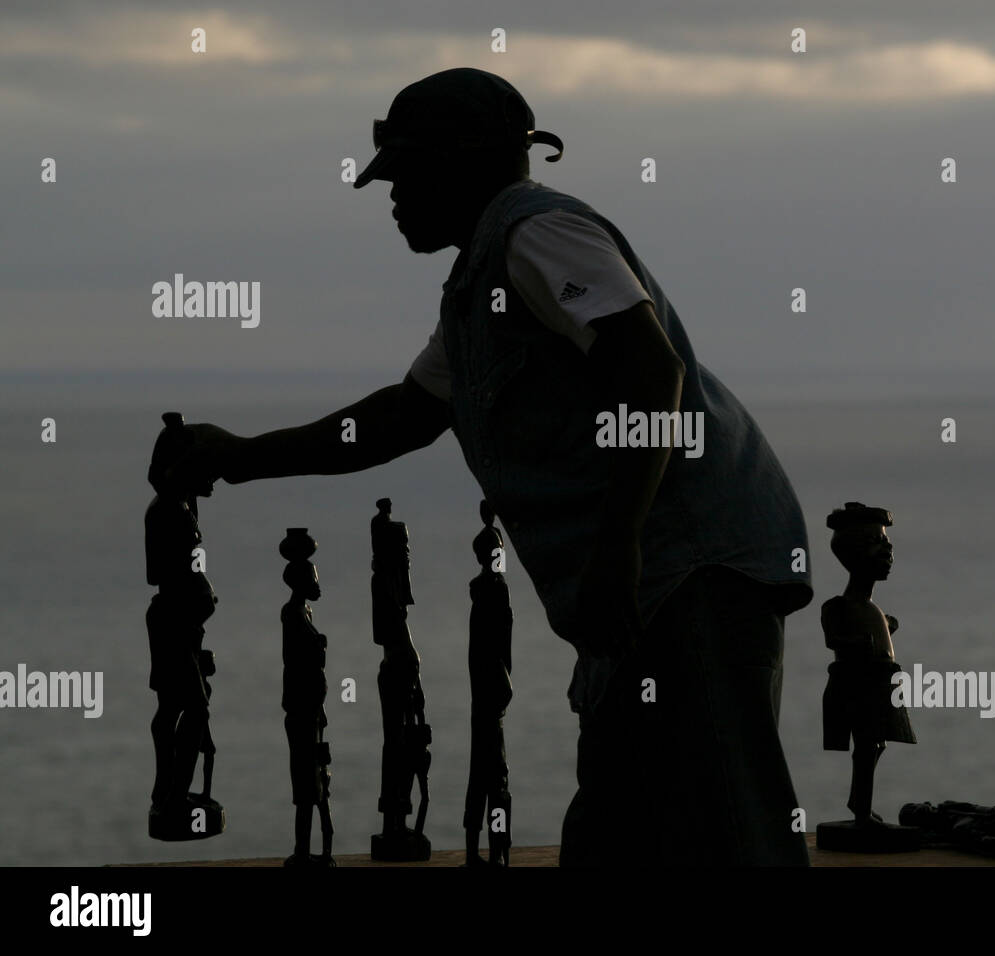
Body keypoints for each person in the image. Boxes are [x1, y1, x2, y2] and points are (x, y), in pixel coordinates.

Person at [166, 67, 813, 866]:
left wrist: (621, 545)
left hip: (689, 574)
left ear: (460, 164)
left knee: (726, 825)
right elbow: (396, 420)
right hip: (650, 589)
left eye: (403, 175)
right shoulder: (480, 290)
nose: (392, 197)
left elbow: (649, 369)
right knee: (626, 825)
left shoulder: (536, 234)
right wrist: (238, 458)